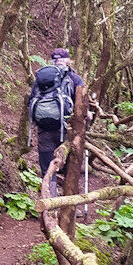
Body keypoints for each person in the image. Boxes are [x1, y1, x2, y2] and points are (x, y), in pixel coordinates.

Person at [27, 47, 85, 195]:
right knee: (71, 166)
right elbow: (82, 105)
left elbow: (30, 100)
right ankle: (69, 205)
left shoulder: (43, 78)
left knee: (47, 166)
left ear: (52, 61)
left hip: (44, 128)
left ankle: (50, 202)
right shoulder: (74, 78)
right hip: (66, 130)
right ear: (67, 60)